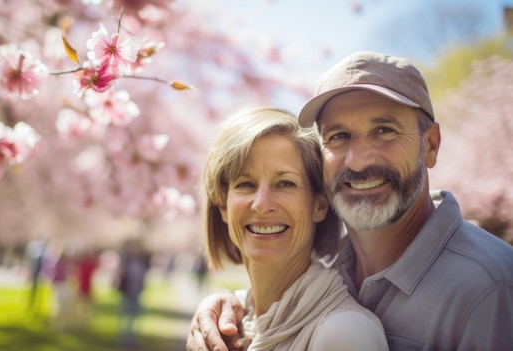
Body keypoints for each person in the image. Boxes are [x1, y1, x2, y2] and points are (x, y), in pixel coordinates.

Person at [186, 51, 513, 351]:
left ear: (430, 145)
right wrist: (229, 304)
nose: (357, 161)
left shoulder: (493, 288)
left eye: (384, 130)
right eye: (339, 136)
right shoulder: (335, 266)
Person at [198, 105, 387, 350]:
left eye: (285, 183)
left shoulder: (345, 335)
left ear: (319, 205)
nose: (262, 204)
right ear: (223, 205)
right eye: (245, 183)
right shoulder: (230, 320)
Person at [116, 239, 151, 346]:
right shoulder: (126, 260)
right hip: (127, 292)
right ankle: (124, 337)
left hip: (137, 292)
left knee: (135, 316)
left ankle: (132, 338)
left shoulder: (142, 261)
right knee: (125, 316)